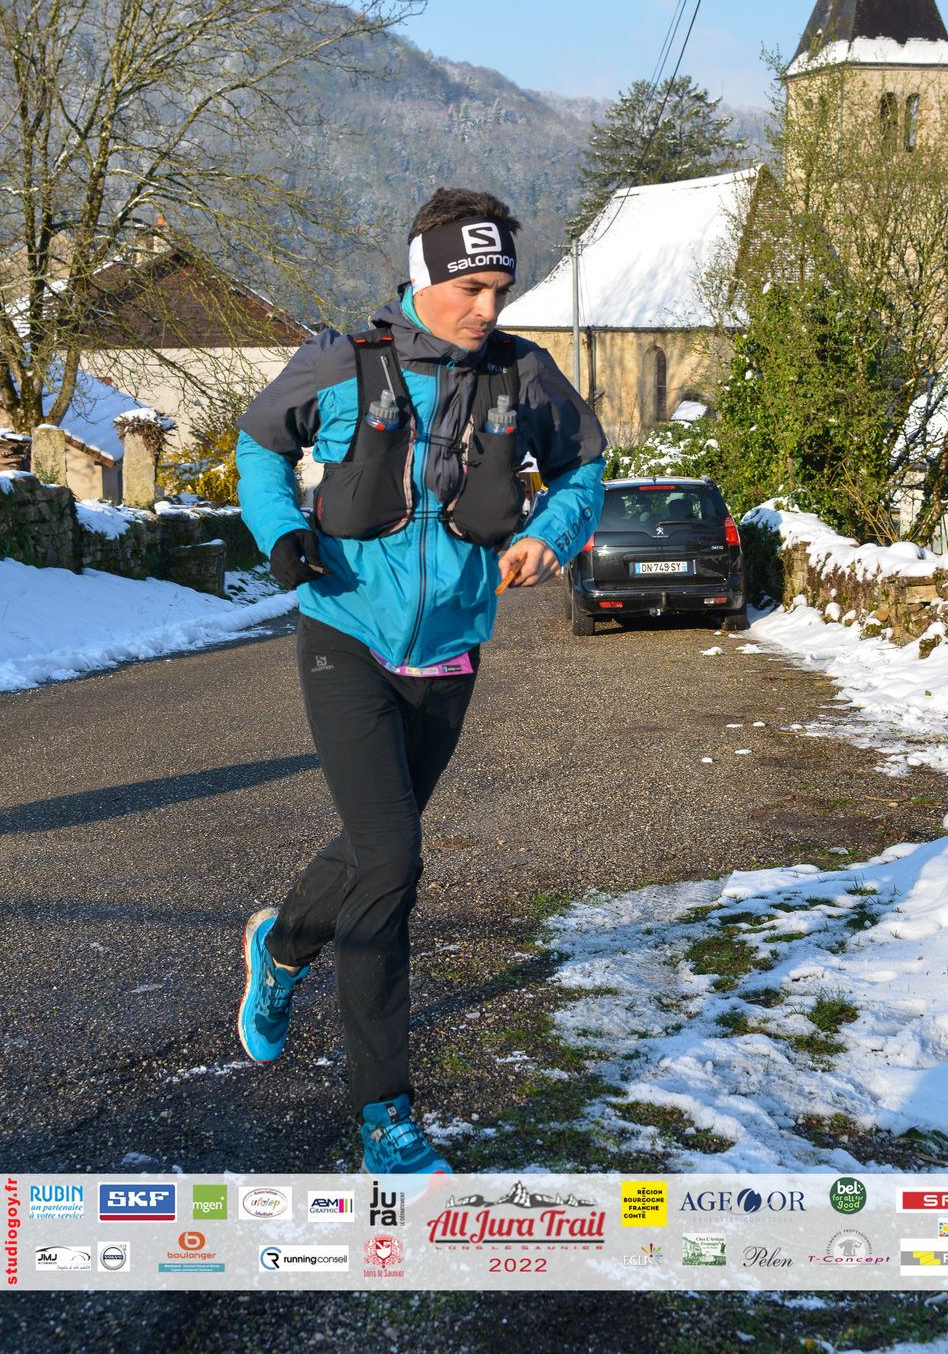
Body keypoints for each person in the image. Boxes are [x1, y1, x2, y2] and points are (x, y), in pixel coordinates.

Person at [234, 187, 606, 1174]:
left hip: (450, 652)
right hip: (344, 634)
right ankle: (385, 1116)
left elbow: (582, 473)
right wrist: (279, 531)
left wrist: (550, 534)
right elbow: (258, 444)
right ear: (423, 276)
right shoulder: (342, 361)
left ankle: (281, 945)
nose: (487, 307)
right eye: (470, 287)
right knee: (394, 859)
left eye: (500, 289)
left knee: (374, 844)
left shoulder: (525, 374)